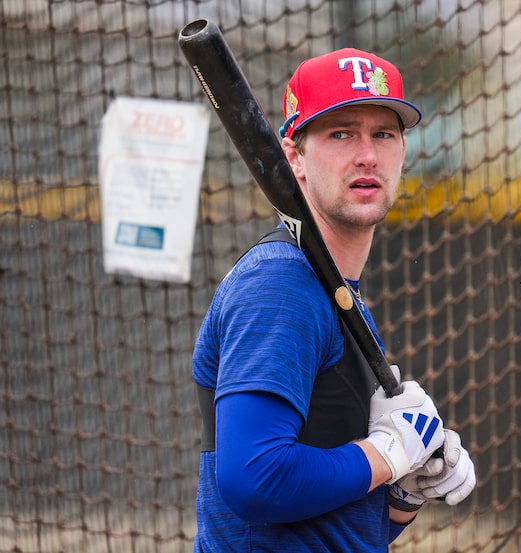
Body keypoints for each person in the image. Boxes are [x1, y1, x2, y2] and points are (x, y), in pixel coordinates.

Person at [192, 48, 476, 552]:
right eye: (341, 133)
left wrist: (405, 491)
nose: (367, 154)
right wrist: (387, 453)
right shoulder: (280, 288)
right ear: (293, 157)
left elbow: (334, 527)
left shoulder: (340, 295)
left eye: (383, 134)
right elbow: (254, 480)